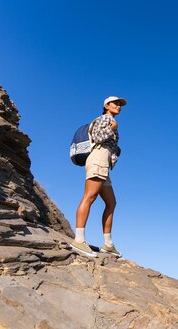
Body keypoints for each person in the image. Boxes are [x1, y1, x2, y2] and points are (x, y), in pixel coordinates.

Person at [69, 96, 127, 258]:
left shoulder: (110, 120)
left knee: (111, 202)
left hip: (104, 163)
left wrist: (116, 150)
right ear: (107, 105)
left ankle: (108, 244)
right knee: (90, 196)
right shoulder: (104, 119)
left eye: (120, 104)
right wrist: (113, 128)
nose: (119, 106)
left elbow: (108, 143)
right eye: (116, 103)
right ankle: (79, 240)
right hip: (98, 159)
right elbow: (98, 137)